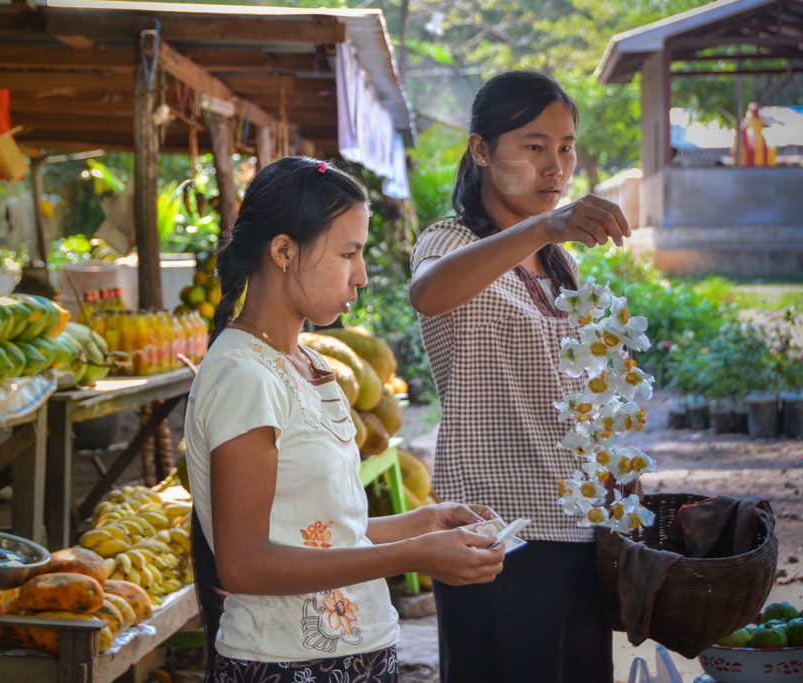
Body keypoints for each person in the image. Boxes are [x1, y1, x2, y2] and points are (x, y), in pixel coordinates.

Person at [184, 156, 505, 682]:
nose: (361, 275)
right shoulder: (244, 376)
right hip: (286, 664)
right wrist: (414, 554)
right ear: (284, 252)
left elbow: (320, 535)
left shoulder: (309, 364)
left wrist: (423, 523)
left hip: (356, 650)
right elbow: (244, 565)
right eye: (348, 253)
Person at [408, 71, 632, 683]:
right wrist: (542, 227)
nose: (554, 167)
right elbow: (429, 293)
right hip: (496, 532)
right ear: (482, 150)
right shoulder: (450, 240)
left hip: (579, 526)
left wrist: (614, 481)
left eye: (565, 147)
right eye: (533, 147)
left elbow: (580, 394)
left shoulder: (563, 264)